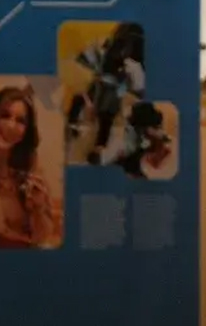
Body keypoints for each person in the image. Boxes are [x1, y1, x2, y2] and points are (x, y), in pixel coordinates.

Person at [66, 22, 146, 165]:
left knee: (106, 114)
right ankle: (74, 127)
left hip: (114, 88)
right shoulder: (108, 47)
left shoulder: (132, 61)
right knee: (84, 101)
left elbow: (136, 86)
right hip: (104, 84)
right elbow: (87, 57)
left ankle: (99, 146)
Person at [0, 85, 56, 249]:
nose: (11, 125)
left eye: (20, 121)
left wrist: (38, 208)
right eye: (5, 115)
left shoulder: (31, 166)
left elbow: (41, 237)